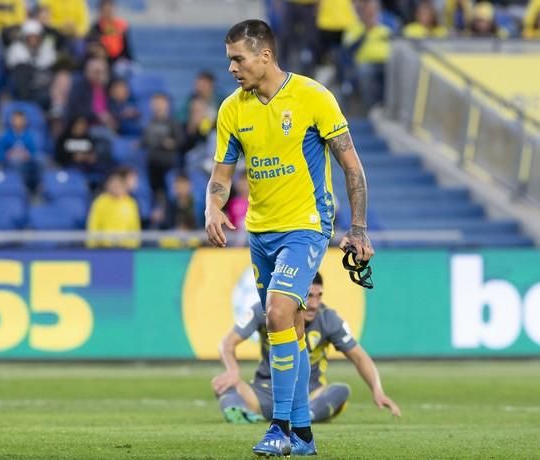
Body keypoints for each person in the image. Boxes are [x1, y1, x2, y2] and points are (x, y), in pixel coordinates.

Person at [205, 20, 373, 457]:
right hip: (260, 232)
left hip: (306, 225)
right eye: (229, 60)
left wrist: (357, 229)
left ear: (264, 55)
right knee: (292, 327)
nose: (232, 68)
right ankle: (303, 436)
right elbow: (221, 176)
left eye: (238, 59)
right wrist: (213, 206)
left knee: (277, 312)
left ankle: (278, 426)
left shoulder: (313, 97)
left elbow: (351, 167)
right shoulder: (231, 109)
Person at [213, 272, 401, 426]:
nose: (314, 303)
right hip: (265, 393)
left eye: (319, 296)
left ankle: (304, 417)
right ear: (295, 292)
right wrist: (232, 371)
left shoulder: (329, 319)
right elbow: (226, 344)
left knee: (340, 390)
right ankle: (242, 414)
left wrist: (377, 389)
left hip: (308, 394)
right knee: (223, 383)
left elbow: (359, 357)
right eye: (309, 296)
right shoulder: (268, 311)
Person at [86, 169, 140, 248]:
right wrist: (92, 244)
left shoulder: (131, 203)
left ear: (123, 186)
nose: (116, 188)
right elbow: (93, 223)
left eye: (118, 186)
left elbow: (134, 225)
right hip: (103, 246)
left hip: (125, 247)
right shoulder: (100, 201)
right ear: (108, 186)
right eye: (113, 185)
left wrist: (134, 244)